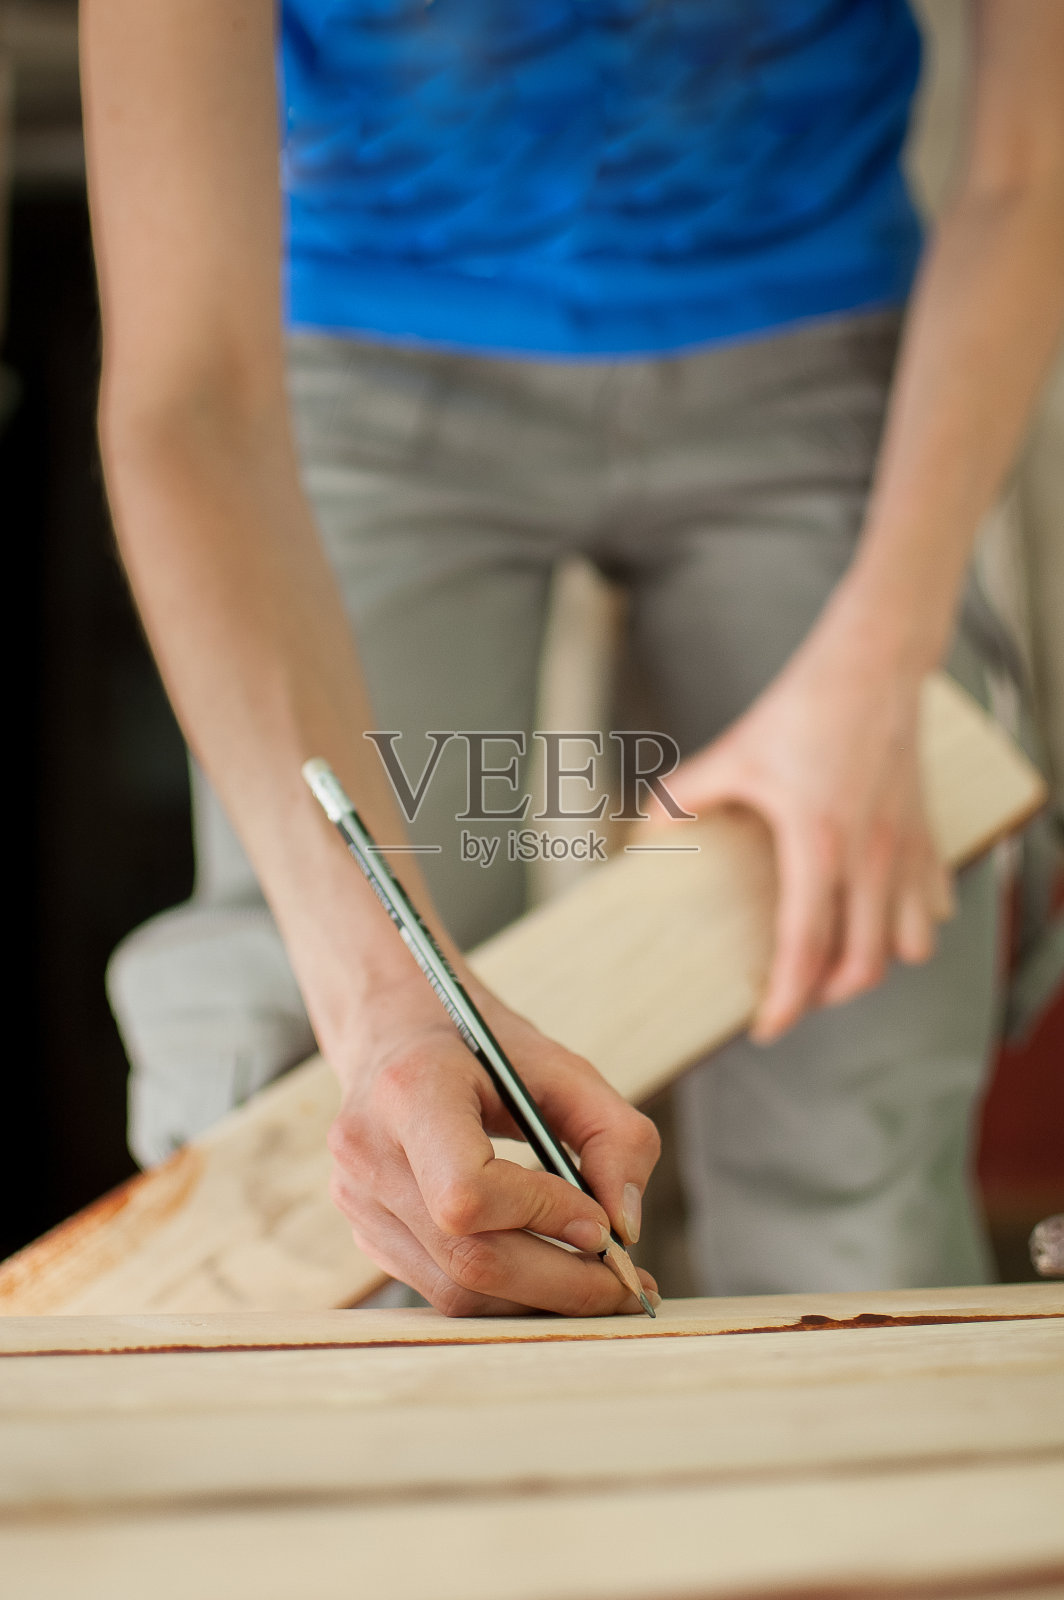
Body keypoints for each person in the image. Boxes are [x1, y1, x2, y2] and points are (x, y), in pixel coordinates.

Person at [84, 0, 1064, 1315]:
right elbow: (187, 392)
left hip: (813, 343)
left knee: (854, 1124)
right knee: (369, 1178)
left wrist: (881, 660)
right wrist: (379, 997)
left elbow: (1030, 165)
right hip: (361, 349)